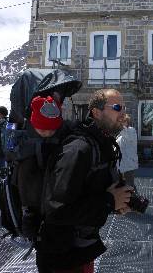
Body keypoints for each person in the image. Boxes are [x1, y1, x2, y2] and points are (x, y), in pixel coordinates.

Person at [35, 89, 133, 273]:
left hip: (81, 251)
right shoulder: (78, 149)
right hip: (61, 258)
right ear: (96, 112)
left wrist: (114, 204)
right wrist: (109, 201)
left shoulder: (100, 145)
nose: (123, 114)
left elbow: (86, 194)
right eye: (117, 107)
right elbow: (57, 210)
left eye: (124, 108)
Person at [116, 114, 138, 189]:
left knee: (129, 185)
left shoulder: (131, 131)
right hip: (121, 164)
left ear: (127, 122)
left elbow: (127, 135)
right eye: (121, 121)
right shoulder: (120, 134)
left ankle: (132, 199)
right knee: (122, 185)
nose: (121, 122)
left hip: (129, 164)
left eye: (123, 121)